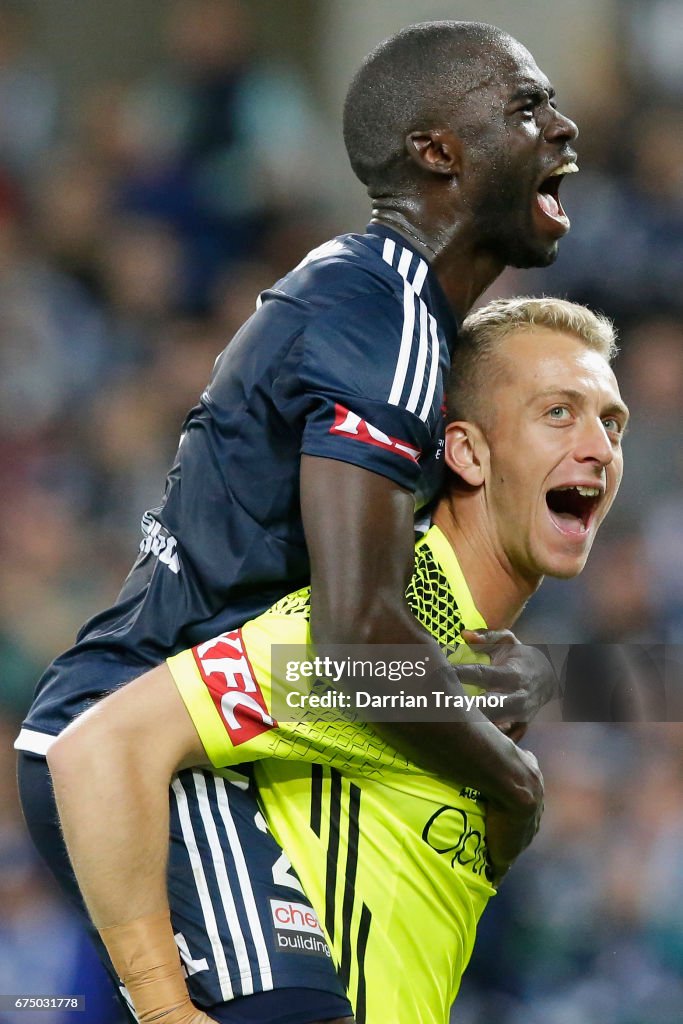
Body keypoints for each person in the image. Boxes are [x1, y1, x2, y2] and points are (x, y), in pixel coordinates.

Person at [17, 20, 578, 1024]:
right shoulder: (386, 315)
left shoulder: (376, 300)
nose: (562, 129)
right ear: (437, 151)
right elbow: (352, 632)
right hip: (141, 744)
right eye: (527, 109)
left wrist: (478, 675)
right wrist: (512, 781)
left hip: (213, 736)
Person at [47, 296, 629, 1024]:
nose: (599, 449)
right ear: (466, 452)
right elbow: (97, 749)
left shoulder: (461, 647)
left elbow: (634, 683)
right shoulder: (369, 641)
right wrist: (165, 1010)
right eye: (558, 413)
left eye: (611, 423)